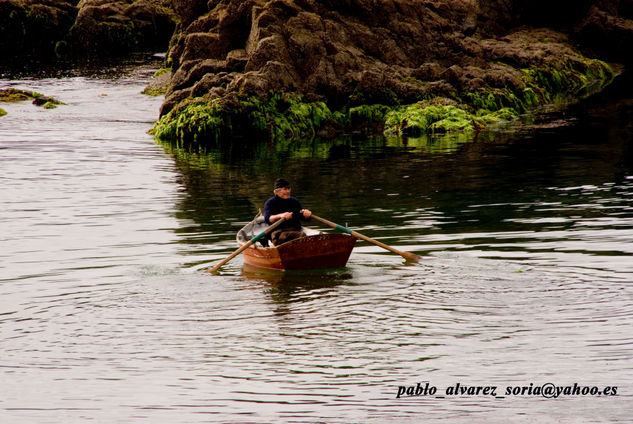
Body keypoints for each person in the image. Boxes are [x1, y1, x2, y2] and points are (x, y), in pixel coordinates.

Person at [264, 178, 312, 245]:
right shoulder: (270, 203)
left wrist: (307, 215)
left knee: (301, 235)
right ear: (277, 192)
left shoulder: (294, 201)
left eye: (289, 189)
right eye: (285, 189)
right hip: (279, 233)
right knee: (301, 236)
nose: (288, 191)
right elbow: (268, 219)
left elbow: (304, 218)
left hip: (296, 230)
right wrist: (281, 216)